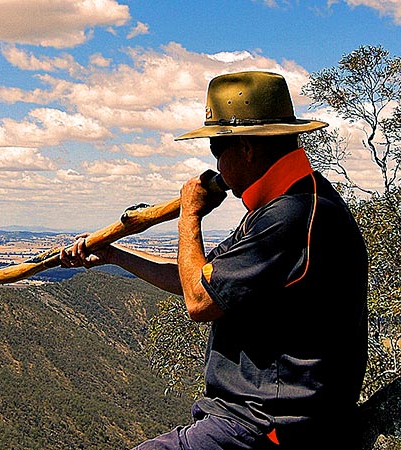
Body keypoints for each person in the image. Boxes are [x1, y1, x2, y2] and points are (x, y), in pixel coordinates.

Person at [60, 71, 368, 450]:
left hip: (268, 424)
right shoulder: (289, 203)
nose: (216, 167)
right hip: (254, 417)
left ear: (247, 149)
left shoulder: (291, 216)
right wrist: (113, 255)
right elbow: (200, 277)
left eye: (216, 149)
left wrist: (190, 214)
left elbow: (199, 301)